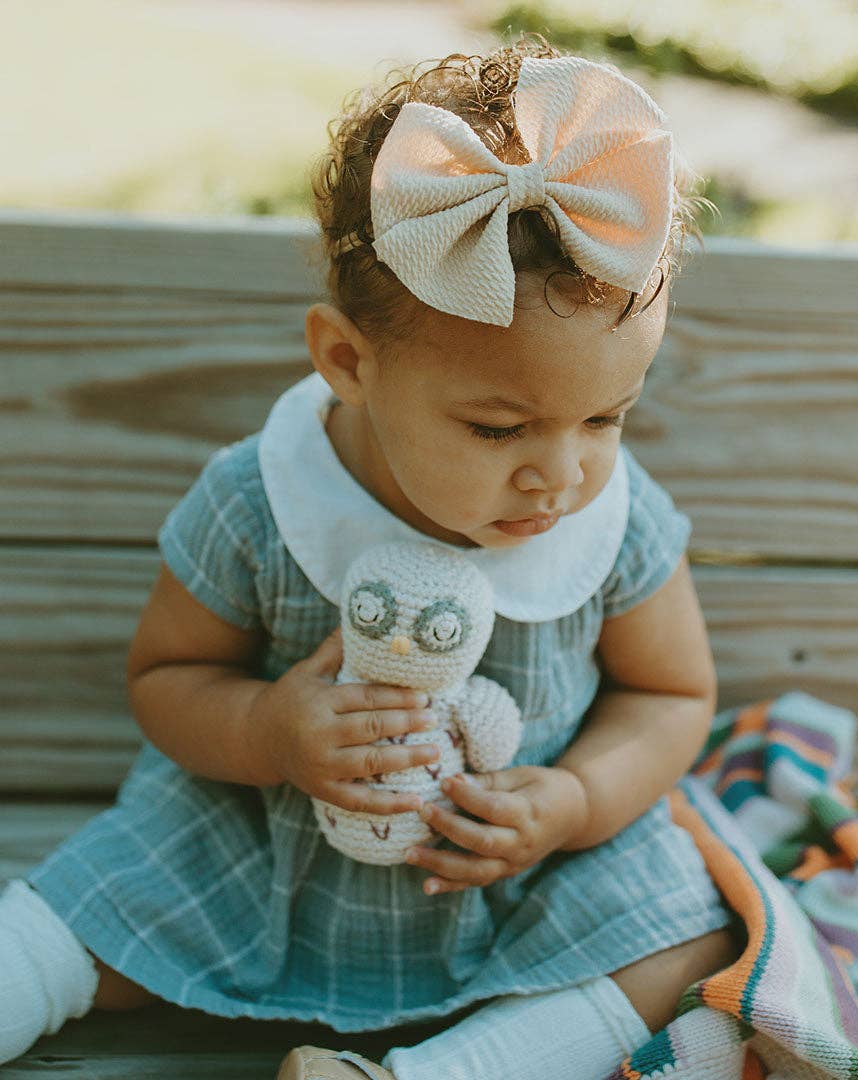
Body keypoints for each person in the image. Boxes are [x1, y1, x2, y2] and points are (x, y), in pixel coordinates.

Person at [0, 33, 740, 1080]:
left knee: (693, 935)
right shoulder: (262, 497)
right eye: (498, 429)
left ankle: (438, 1075)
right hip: (261, 854)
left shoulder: (612, 513)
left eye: (607, 417)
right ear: (349, 362)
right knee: (92, 905)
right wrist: (265, 729)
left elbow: (670, 694)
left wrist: (575, 801)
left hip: (511, 877)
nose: (559, 476)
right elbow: (165, 676)